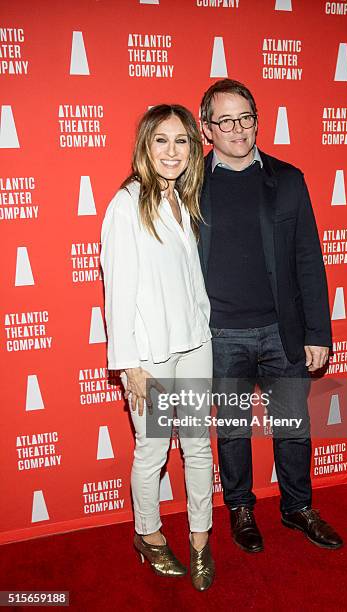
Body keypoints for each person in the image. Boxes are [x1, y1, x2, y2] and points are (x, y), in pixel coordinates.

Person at [198, 79, 343, 553]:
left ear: (257, 120)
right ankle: (240, 508)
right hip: (220, 336)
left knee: (293, 426)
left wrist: (318, 331)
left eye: (247, 117)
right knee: (234, 429)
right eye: (226, 120)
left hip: (284, 334)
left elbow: (308, 259)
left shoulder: (288, 179)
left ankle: (298, 506)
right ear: (207, 128)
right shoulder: (187, 185)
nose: (238, 129)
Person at [100, 104, 215, 591]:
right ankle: (147, 534)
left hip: (195, 344)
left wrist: (204, 322)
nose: (173, 151)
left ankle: (201, 540)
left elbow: (189, 279)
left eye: (182, 141)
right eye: (161, 141)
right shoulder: (126, 204)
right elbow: (117, 292)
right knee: (151, 452)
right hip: (151, 354)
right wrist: (129, 366)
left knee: (197, 448)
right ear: (146, 146)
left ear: (193, 147)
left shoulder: (184, 201)